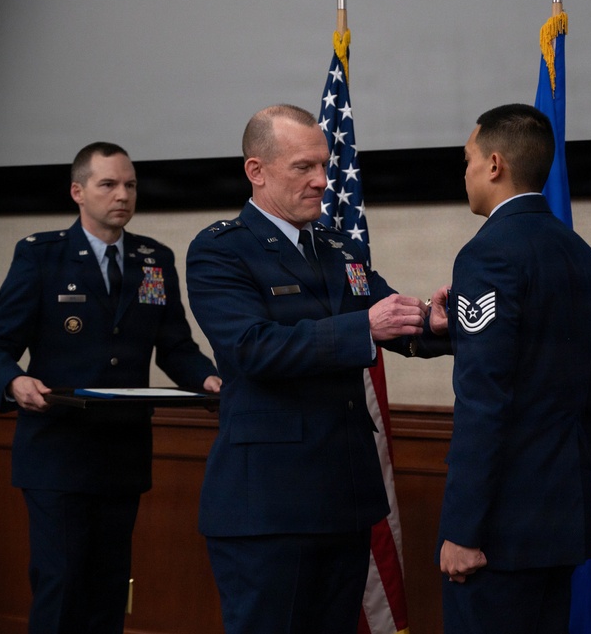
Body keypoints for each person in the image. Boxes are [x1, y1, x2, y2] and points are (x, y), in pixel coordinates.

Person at [185, 104, 450, 634]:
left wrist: (437, 324)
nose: (322, 181)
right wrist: (362, 329)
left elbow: (391, 320)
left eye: (325, 166)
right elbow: (251, 349)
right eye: (303, 168)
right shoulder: (220, 252)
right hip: (269, 508)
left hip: (344, 500)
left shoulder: (335, 247)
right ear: (256, 171)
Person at [0, 142, 221, 634]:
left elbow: (174, 347)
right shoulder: (42, 256)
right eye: (108, 184)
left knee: (109, 588)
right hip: (57, 453)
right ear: (77, 192)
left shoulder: (154, 260)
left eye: (129, 184)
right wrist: (14, 380)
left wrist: (208, 377)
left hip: (121, 455)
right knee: (61, 583)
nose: (122, 195)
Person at [433, 104, 591, 634]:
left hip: (498, 534)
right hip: (559, 520)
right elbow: (588, 396)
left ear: (493, 164)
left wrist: (464, 530)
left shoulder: (489, 255)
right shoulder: (582, 256)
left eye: (466, 160)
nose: (462, 172)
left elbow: (485, 400)